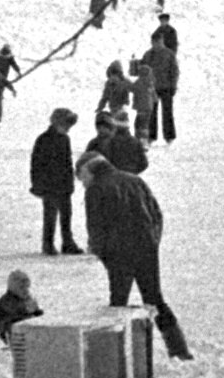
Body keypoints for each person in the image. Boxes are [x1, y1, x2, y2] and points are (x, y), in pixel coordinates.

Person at [78, 153, 191, 360]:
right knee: (155, 299)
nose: (83, 184)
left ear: (88, 171)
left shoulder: (96, 189)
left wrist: (102, 253)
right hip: (146, 247)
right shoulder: (135, 180)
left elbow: (96, 228)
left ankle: (115, 359)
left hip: (118, 253)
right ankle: (179, 350)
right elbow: (156, 213)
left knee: (118, 305)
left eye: (81, 178)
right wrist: (153, 240)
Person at [30, 108, 84, 255]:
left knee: (66, 214)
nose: (68, 129)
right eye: (66, 125)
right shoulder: (43, 139)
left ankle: (67, 242)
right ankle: (48, 244)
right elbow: (36, 164)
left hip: (63, 184)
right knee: (50, 215)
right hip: (49, 185)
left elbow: (68, 162)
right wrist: (37, 185)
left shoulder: (65, 139)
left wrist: (70, 181)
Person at [0, 269, 43, 345]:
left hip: (23, 328)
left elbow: (34, 315)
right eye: (22, 288)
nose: (25, 290)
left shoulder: (28, 299)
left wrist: (37, 313)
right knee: (17, 325)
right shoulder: (7, 301)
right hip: (4, 326)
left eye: (27, 287)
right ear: (14, 288)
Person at [143, 32, 180, 143]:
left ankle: (169, 136)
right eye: (154, 42)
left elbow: (174, 71)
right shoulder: (148, 55)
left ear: (162, 41)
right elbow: (143, 70)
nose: (156, 44)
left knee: (167, 112)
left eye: (158, 42)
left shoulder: (169, 54)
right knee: (151, 113)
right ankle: (151, 136)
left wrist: (173, 85)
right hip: (152, 88)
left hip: (166, 87)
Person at [129, 57, 159, 147]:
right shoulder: (150, 83)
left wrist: (126, 83)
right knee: (145, 124)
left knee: (138, 124)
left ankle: (138, 140)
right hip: (149, 108)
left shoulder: (139, 82)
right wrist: (154, 100)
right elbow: (154, 96)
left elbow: (132, 89)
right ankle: (145, 140)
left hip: (140, 107)